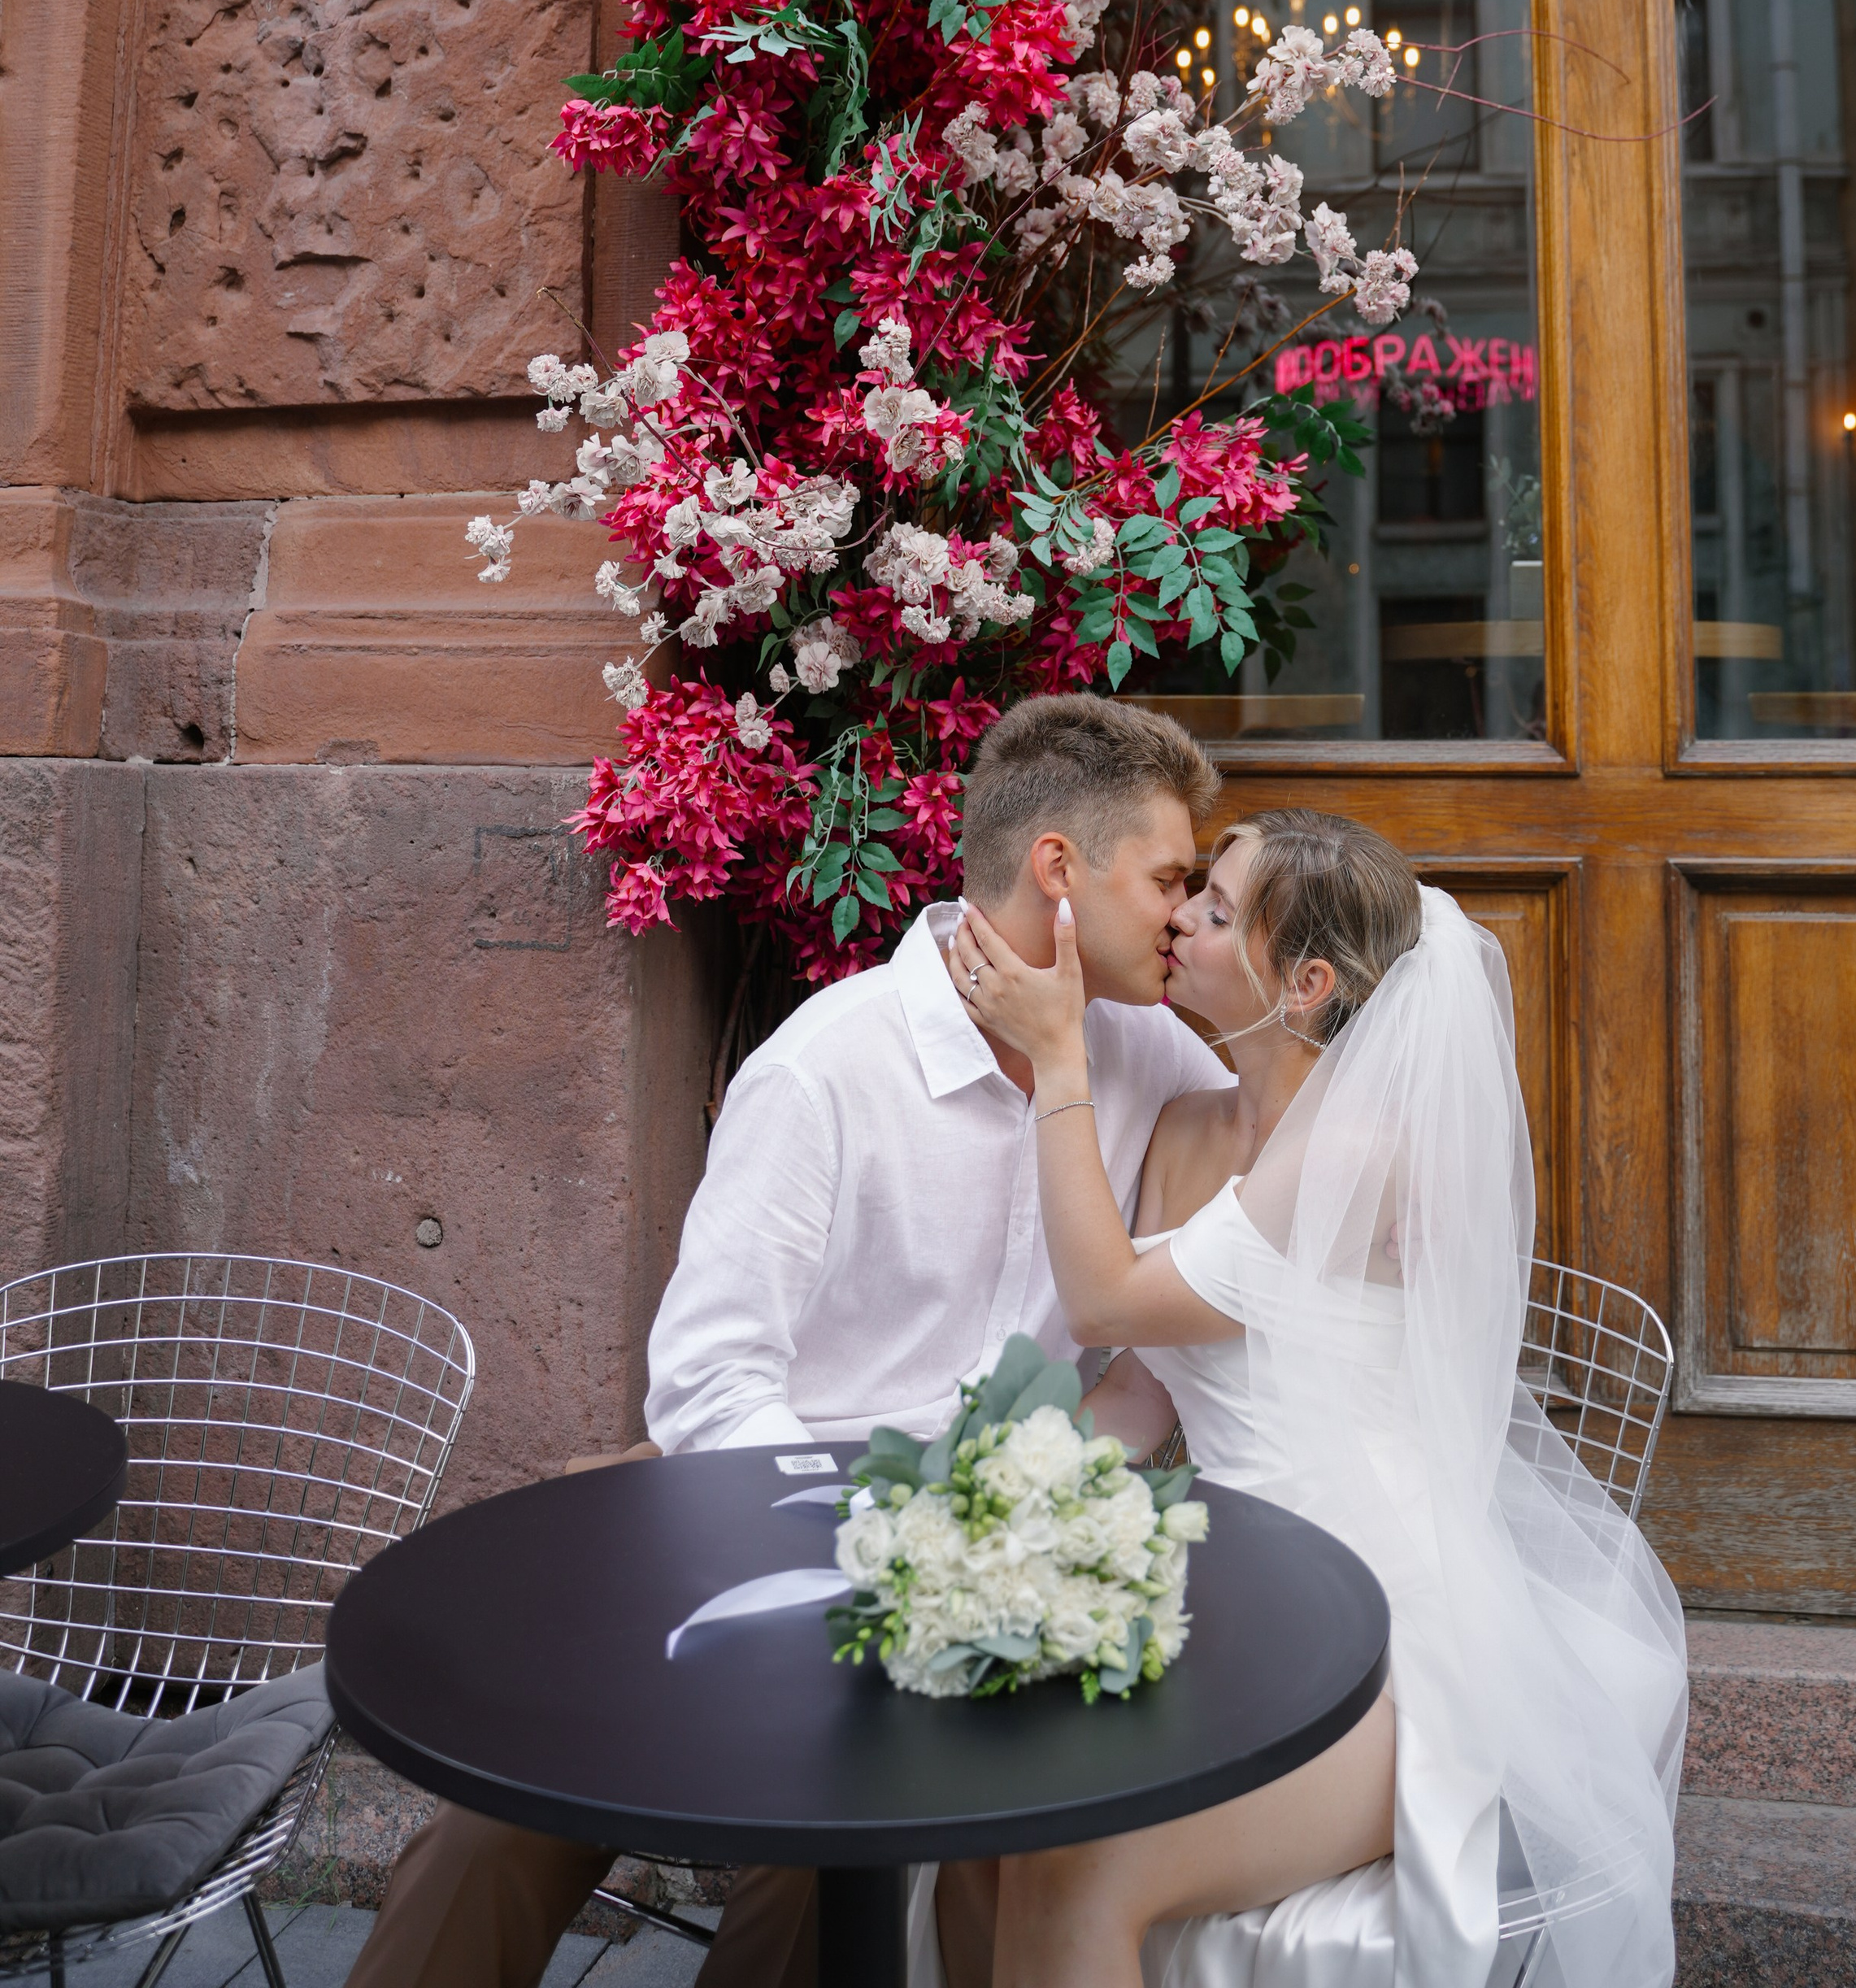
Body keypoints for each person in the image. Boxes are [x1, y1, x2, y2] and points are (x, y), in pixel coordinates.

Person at [341, 694, 1234, 1988]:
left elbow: (1273, 1177)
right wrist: (861, 1546)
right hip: (749, 1509)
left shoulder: (1145, 1053)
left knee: (833, 1844)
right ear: (1059, 869)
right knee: (507, 1818)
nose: (1182, 912)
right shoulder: (826, 1070)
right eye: (1169, 879)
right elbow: (709, 1379)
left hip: (977, 1556)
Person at [941, 808, 1688, 1988]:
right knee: (976, 1827)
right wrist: (973, 1513)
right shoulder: (1186, 1129)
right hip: (1221, 1599)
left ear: (1305, 985)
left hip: (1379, 1636)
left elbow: (1104, 1303)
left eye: (1216, 911)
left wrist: (1060, 1058)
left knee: (1074, 1873)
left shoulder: (1360, 1148)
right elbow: (1136, 1393)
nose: (1180, 920)